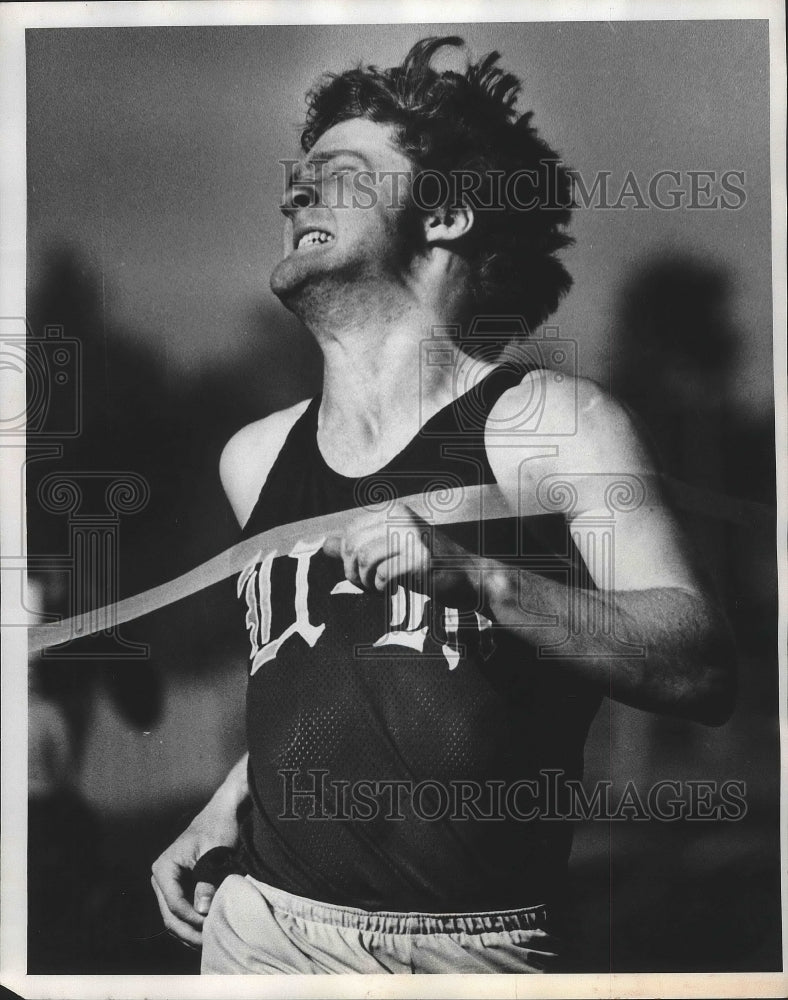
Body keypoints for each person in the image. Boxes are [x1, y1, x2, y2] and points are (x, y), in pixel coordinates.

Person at [151, 36, 736, 974]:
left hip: (469, 956)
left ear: (452, 213)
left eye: (337, 175)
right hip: (257, 931)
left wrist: (479, 575)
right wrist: (227, 800)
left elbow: (701, 667)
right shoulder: (252, 458)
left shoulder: (551, 423)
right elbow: (327, 678)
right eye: (295, 179)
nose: (295, 194)